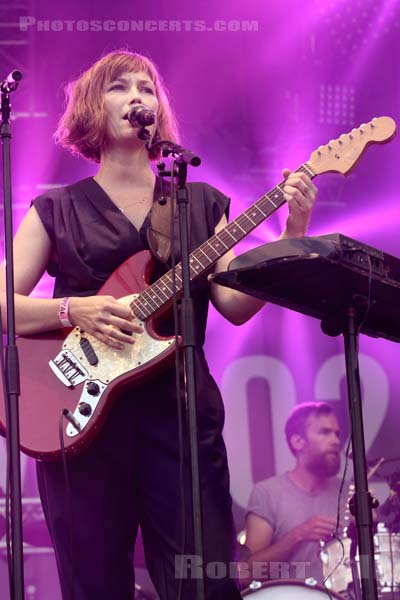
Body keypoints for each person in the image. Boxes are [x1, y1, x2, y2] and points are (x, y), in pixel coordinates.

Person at [0, 50, 317, 599]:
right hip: (80, 421)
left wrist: (295, 228)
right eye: (119, 88)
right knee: (95, 583)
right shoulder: (57, 210)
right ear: (91, 109)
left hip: (181, 416)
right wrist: (73, 309)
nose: (137, 97)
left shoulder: (199, 203)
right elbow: (4, 302)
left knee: (202, 581)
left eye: (146, 88)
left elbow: (235, 305)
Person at [244, 402, 343, 586]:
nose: (336, 441)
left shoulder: (348, 492)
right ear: (298, 442)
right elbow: (247, 574)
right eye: (324, 432)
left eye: (337, 434)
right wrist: (299, 534)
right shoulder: (268, 493)